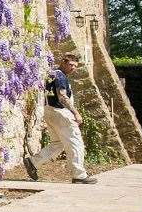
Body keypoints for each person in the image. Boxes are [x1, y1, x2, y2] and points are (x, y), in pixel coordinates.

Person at [24, 51, 97, 184]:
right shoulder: (60, 76)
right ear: (63, 62)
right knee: (75, 142)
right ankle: (79, 175)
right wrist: (76, 113)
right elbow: (62, 96)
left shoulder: (52, 74)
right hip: (60, 112)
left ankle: (33, 162)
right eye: (71, 65)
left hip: (49, 111)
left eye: (75, 66)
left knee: (57, 144)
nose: (73, 68)